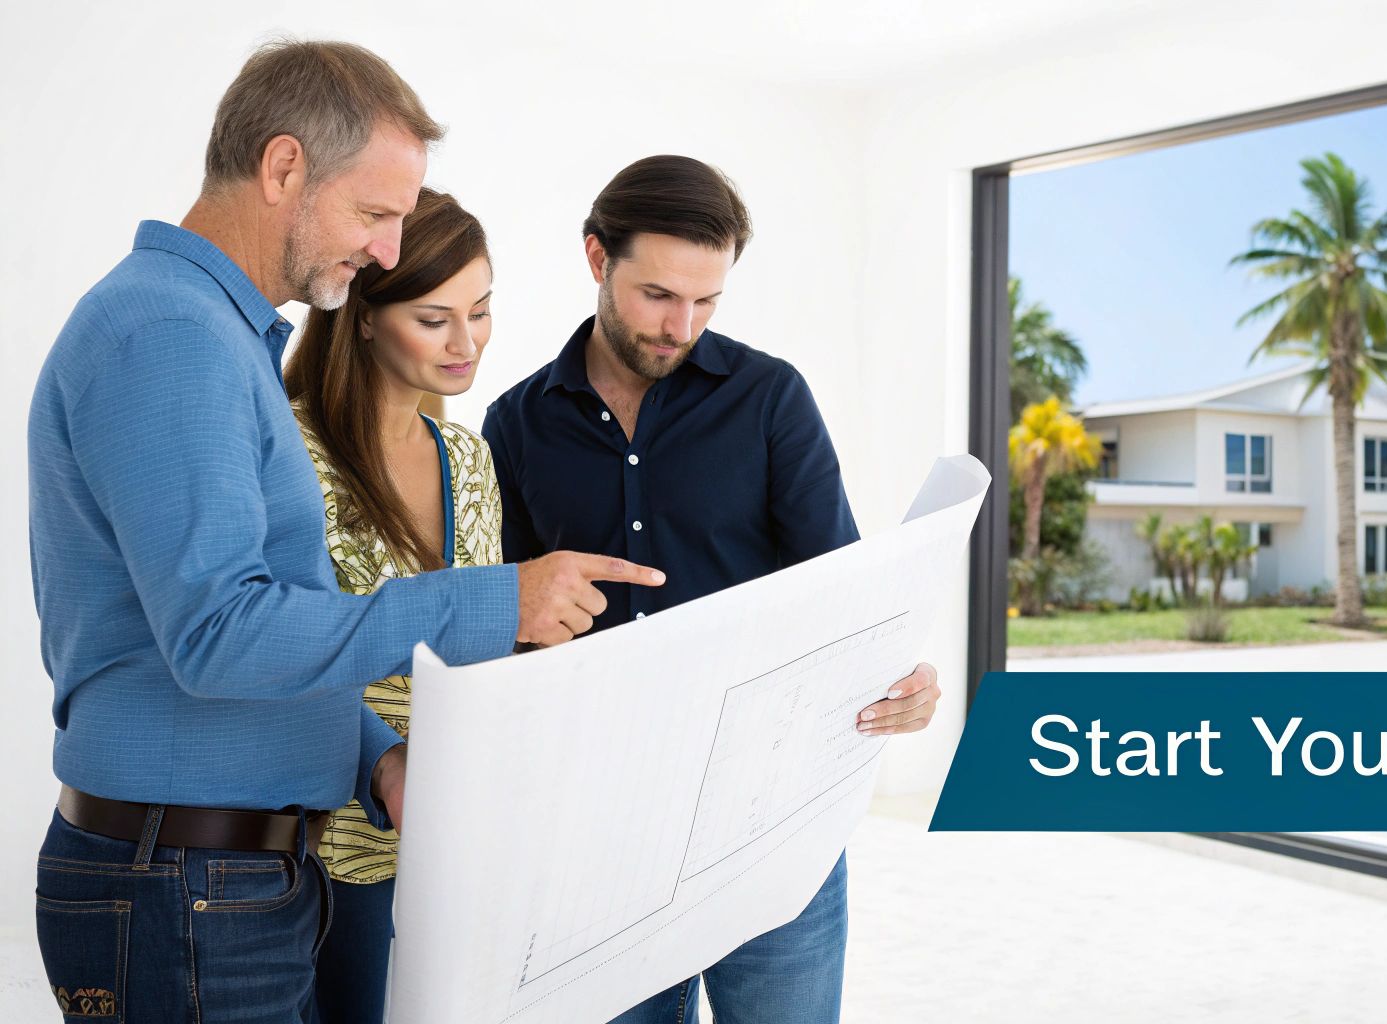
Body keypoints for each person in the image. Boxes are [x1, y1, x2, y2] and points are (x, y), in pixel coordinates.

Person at [28, 40, 659, 1022]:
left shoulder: (210, 334)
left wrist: (373, 754)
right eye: (374, 214)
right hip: (189, 889)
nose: (386, 253)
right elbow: (219, 634)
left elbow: (268, 623)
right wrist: (494, 600)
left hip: (223, 878)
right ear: (283, 168)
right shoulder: (172, 336)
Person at [482, 155, 942, 1024]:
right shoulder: (514, 424)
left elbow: (840, 590)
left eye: (707, 301)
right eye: (657, 294)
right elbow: (506, 629)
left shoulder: (771, 400)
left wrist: (900, 675)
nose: (680, 324)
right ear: (596, 259)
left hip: (771, 820)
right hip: (602, 837)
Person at [282, 187, 501, 1022]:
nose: (467, 342)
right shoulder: (293, 451)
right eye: (435, 317)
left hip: (448, 834)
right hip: (321, 844)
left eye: (481, 312)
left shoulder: (468, 458)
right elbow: (285, 641)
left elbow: (478, 650)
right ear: (366, 316)